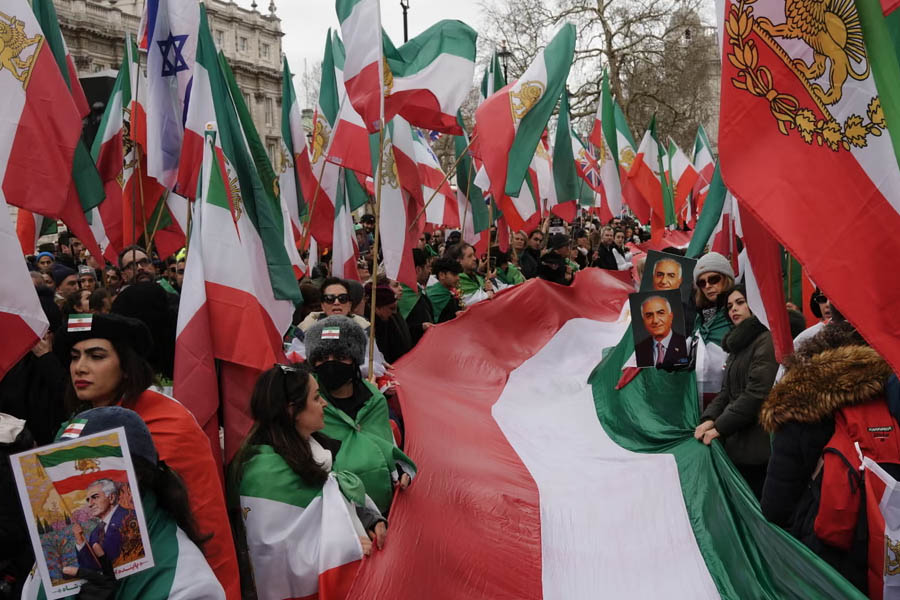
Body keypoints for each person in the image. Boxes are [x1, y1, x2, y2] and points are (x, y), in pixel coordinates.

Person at [55, 313, 240, 598]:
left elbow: (197, 516)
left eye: (96, 356)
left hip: (172, 578)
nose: (80, 368)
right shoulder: (77, 422)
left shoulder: (167, 422)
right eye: (75, 356)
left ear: (127, 367)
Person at [23, 406, 225, 598]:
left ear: (133, 477)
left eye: (85, 472)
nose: (74, 492)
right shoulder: (74, 540)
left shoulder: (186, 578)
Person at [760, 315, 895, 592]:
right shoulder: (890, 384)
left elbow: (776, 504)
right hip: (887, 538)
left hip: (826, 547)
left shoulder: (800, 397)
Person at [229, 364, 386, 599]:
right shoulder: (261, 474)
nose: (324, 403)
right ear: (292, 411)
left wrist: (368, 520)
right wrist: (348, 547)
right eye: (315, 398)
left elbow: (332, 500)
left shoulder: (317, 447)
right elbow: (277, 556)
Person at [304, 317, 415, 514]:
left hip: (384, 508)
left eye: (340, 356)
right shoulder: (305, 404)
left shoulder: (375, 400)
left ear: (354, 359)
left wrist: (400, 471)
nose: (331, 364)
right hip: (334, 513)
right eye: (323, 357)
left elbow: (386, 445)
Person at [695, 286, 777, 499]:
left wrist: (719, 427)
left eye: (740, 302)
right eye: (730, 306)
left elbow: (756, 394)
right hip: (738, 446)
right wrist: (708, 418)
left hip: (759, 450)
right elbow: (726, 392)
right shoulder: (738, 344)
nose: (734, 309)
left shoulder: (766, 340)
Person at [692, 252, 736, 406]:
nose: (708, 286)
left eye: (713, 279)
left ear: (726, 278)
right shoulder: (698, 316)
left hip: (730, 398)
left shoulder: (738, 312)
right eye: (702, 283)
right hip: (700, 399)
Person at [66, 478, 136, 573]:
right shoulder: (95, 533)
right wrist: (79, 540)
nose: (90, 504)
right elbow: (89, 568)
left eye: (95, 497)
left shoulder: (130, 517)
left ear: (111, 498)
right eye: (88, 500)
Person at [298, 277, 370, 333]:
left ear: (350, 305)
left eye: (342, 298)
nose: (336, 302)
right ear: (322, 305)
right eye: (330, 299)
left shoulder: (365, 329)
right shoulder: (306, 330)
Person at [634, 296, 688, 367]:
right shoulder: (639, 350)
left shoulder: (686, 344)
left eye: (660, 313)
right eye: (649, 315)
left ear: (670, 317)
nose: (655, 320)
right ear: (644, 321)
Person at [367, 283, 413, 364]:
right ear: (376, 307)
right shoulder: (363, 324)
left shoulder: (386, 320)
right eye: (391, 308)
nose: (394, 313)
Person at [398, 248, 434, 346]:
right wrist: (420, 328)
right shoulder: (398, 295)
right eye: (427, 267)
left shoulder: (418, 292)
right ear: (418, 269)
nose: (429, 272)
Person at [426, 258, 464, 324]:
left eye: (458, 274)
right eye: (454, 274)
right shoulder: (431, 295)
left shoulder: (451, 294)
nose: (458, 278)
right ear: (442, 275)